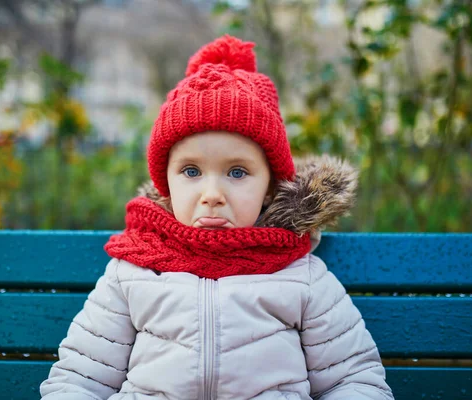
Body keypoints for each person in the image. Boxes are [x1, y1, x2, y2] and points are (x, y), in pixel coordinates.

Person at [40, 34, 394, 400]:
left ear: (270, 188)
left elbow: (354, 381)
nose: (212, 195)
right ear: (167, 184)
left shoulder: (300, 276)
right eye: (191, 171)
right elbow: (79, 379)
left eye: (237, 172)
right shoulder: (133, 272)